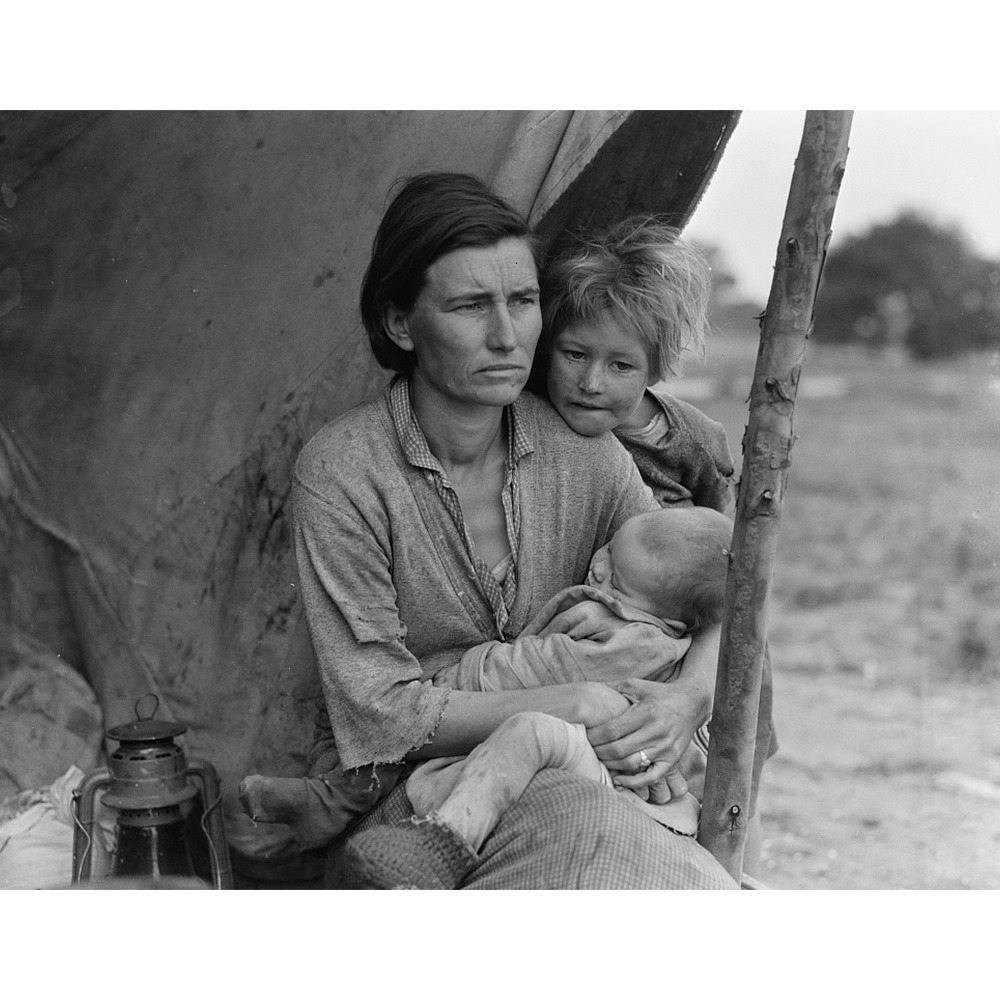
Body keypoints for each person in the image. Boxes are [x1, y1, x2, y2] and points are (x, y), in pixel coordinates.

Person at [269, 172, 737, 889]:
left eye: (522, 302)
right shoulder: (344, 473)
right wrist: (569, 703)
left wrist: (688, 698)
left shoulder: (586, 454)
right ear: (400, 323)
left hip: (586, 769)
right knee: (596, 836)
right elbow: (379, 712)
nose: (506, 336)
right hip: (420, 794)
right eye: (469, 306)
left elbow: (702, 593)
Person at [530, 215, 777, 871]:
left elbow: (734, 581)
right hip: (614, 642)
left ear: (656, 367)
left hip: (696, 646)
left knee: (730, 783)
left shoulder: (692, 442)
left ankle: (741, 881)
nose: (591, 382)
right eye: (574, 355)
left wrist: (694, 691)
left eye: (621, 365)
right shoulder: (531, 423)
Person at [334, 505, 733, 889]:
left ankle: (443, 844)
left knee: (530, 734)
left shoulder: (630, 641)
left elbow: (533, 670)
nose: (599, 568)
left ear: (672, 620)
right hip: (642, 781)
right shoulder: (656, 599)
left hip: (618, 778)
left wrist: (461, 677)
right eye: (610, 548)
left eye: (617, 582)